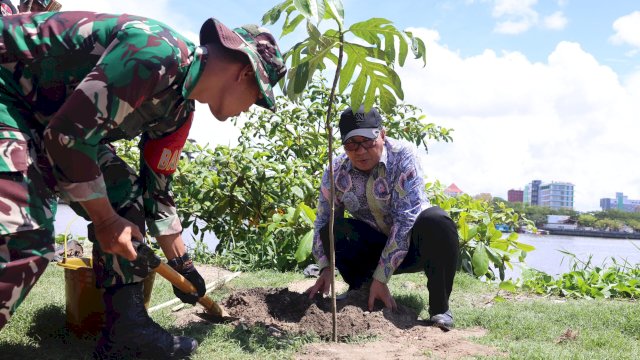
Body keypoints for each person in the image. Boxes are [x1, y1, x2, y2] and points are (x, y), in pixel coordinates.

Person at [0, 10, 286, 358]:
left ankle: (127, 331)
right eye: (257, 99)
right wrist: (105, 221)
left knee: (126, 196)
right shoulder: (156, 52)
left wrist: (183, 266)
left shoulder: (178, 112)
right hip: (11, 93)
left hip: (48, 120)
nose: (249, 109)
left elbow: (157, 193)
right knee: (24, 237)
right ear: (245, 74)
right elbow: (67, 138)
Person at [307, 106, 460, 329]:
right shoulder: (336, 169)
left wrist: (382, 277)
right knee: (332, 229)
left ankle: (440, 307)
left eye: (367, 141)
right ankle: (362, 290)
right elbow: (323, 220)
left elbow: (406, 220)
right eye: (352, 144)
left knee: (437, 221)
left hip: (413, 245)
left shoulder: (403, 156)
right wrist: (325, 267)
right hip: (373, 245)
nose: (360, 151)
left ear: (382, 134)